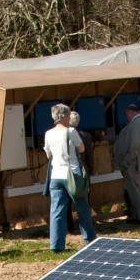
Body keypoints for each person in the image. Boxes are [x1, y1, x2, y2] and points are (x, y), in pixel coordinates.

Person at [44, 103, 97, 251]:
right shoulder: (71, 131)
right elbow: (81, 148)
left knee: (57, 211)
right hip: (72, 174)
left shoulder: (48, 133)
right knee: (82, 208)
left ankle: (56, 245)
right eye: (68, 115)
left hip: (55, 176)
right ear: (65, 116)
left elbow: (48, 154)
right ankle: (90, 239)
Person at [113, 103, 140, 227]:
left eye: (127, 115)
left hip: (132, 163)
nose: (127, 118)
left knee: (135, 191)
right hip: (132, 163)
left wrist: (126, 162)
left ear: (130, 113)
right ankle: (138, 215)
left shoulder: (138, 123)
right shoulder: (138, 122)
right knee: (133, 190)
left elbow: (134, 146)